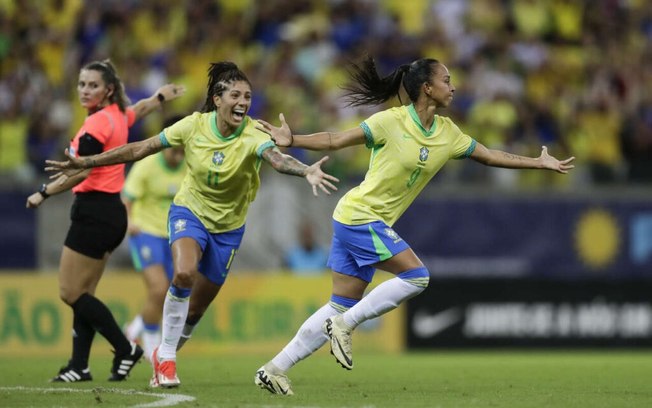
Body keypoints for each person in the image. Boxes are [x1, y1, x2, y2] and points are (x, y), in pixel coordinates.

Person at [252, 55, 575, 395]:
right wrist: (293, 140)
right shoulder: (390, 121)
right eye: (446, 80)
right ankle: (344, 326)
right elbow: (336, 139)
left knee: (339, 304)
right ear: (427, 88)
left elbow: (492, 155)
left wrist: (538, 163)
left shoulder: (449, 133)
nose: (453, 86)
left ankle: (274, 368)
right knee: (417, 277)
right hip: (360, 216)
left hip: (358, 220)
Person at [45, 61, 339, 389]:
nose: (243, 102)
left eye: (248, 96)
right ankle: (167, 357)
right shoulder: (192, 126)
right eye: (236, 95)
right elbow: (140, 148)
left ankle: (163, 355)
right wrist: (89, 161)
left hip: (228, 228)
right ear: (217, 99)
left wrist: (305, 170)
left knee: (197, 308)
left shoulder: (255, 132)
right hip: (189, 213)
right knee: (184, 272)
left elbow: (277, 158)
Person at [26, 59, 185, 382]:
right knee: (84, 293)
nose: (85, 91)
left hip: (93, 213)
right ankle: (79, 365)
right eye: (82, 84)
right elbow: (137, 111)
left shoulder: (98, 124)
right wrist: (159, 98)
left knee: (70, 293)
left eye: (93, 85)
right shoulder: (116, 117)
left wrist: (44, 192)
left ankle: (125, 347)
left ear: (108, 90)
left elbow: (83, 169)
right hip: (111, 214)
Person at [122, 116, 187, 361]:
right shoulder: (147, 165)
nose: (179, 157)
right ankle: (152, 352)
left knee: (169, 291)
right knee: (159, 289)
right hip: (146, 232)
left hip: (174, 236)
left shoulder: (189, 164)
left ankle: (133, 330)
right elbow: (127, 197)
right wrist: (129, 223)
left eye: (183, 153)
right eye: (175, 152)